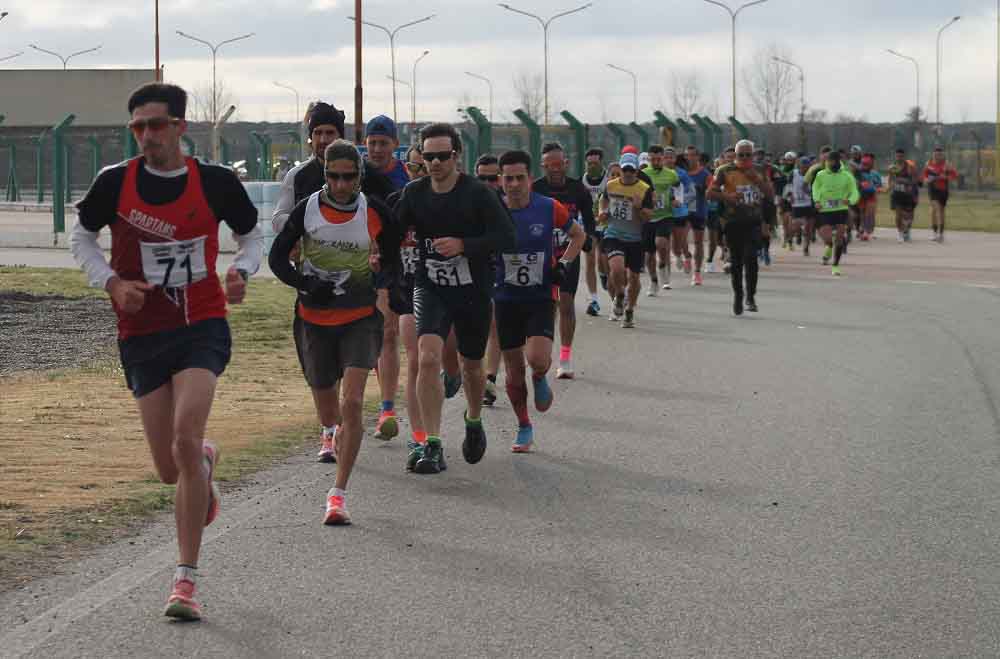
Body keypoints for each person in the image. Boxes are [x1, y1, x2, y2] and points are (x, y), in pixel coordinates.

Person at [70, 82, 263, 620]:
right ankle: (201, 463)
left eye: (157, 125)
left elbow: (252, 235)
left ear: (180, 127)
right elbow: (80, 237)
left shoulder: (216, 183)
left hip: (202, 323)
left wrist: (241, 270)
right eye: (138, 127)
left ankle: (185, 582)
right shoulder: (115, 183)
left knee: (184, 434)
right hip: (142, 331)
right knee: (168, 467)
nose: (147, 136)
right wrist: (110, 282)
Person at [268, 139, 401, 523]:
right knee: (331, 413)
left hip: (360, 318)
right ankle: (334, 434)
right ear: (324, 174)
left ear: (360, 177)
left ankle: (337, 494)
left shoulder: (373, 211)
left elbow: (394, 259)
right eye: (333, 177)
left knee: (354, 404)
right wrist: (305, 283)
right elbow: (277, 257)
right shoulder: (307, 209)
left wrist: (383, 282)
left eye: (349, 177)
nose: (341, 185)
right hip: (314, 320)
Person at [395, 123, 515, 475]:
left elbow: (507, 237)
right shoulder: (415, 194)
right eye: (428, 156)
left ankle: (473, 419)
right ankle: (432, 443)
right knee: (427, 358)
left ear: (456, 156)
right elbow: (391, 230)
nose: (435, 163)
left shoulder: (478, 194)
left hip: (472, 290)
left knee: (472, 367)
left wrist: (465, 245)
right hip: (430, 286)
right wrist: (377, 251)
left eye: (442, 156)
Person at [495, 150, 584, 451]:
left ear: (530, 179)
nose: (515, 184)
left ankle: (541, 375)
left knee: (536, 359)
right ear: (500, 180)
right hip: (505, 298)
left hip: (540, 295)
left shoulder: (548, 207)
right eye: (509, 178)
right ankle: (523, 425)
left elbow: (579, 235)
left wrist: (563, 264)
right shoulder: (493, 209)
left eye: (521, 178)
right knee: (513, 369)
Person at [533, 142, 595, 380]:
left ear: (566, 164)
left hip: (568, 252)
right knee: (546, 306)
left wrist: (589, 238)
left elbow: (589, 220)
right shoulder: (535, 188)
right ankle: (542, 352)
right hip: (540, 254)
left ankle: (565, 358)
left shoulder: (578, 189)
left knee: (566, 303)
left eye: (559, 164)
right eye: (550, 165)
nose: (555, 169)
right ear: (543, 165)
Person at [388, 146, 434, 458]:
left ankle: (453, 376)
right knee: (416, 360)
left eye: (425, 167)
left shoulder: (446, 205)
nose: (420, 173)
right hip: (407, 290)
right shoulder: (396, 204)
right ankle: (419, 436)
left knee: (441, 361)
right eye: (415, 167)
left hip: (443, 291)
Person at [708, 139, 772, 315]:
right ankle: (738, 295)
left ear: (753, 155)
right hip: (733, 222)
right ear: (735, 155)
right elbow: (710, 193)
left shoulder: (759, 170)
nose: (744, 158)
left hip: (753, 221)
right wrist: (727, 197)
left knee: (751, 259)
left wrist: (757, 180)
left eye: (748, 155)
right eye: (740, 155)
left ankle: (750, 297)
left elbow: (770, 194)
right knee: (736, 263)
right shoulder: (724, 170)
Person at [599, 152, 654, 328]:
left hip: (636, 238)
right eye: (625, 170)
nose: (628, 173)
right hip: (614, 234)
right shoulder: (611, 185)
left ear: (636, 170)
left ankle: (629, 310)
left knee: (634, 277)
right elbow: (603, 200)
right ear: (621, 170)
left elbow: (648, 216)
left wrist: (638, 208)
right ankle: (620, 295)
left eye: (631, 169)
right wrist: (603, 212)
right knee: (616, 268)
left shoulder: (644, 189)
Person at [475, 153, 503, 406]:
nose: (487, 184)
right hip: (469, 274)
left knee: (495, 323)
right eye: (482, 178)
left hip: (501, 272)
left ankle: (490, 378)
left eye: (492, 178)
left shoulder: (510, 205)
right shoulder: (465, 204)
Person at [812, 150, 860, 276]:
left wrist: (850, 200)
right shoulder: (821, 175)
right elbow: (815, 188)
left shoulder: (847, 176)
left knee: (839, 238)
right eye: (829, 161)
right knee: (828, 238)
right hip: (825, 210)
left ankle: (835, 265)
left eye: (834, 161)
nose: (831, 163)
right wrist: (816, 200)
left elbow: (854, 191)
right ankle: (828, 246)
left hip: (840, 210)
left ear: (839, 161)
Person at [640, 144, 680, 294]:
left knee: (661, 242)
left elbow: (678, 187)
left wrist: (677, 199)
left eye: (659, 159)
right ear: (649, 159)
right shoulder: (643, 173)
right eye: (653, 159)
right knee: (649, 254)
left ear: (663, 158)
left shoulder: (671, 174)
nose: (656, 162)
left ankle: (663, 264)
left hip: (665, 215)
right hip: (648, 217)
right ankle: (654, 281)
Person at [581, 148, 608, 317]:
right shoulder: (581, 182)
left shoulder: (609, 180)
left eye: (595, 163)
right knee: (590, 260)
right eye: (589, 163)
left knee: (604, 261)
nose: (592, 166)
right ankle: (594, 300)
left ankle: (606, 276)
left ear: (601, 163)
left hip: (606, 226)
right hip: (588, 227)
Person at [684, 145, 711, 285]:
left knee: (698, 242)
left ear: (698, 157)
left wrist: (703, 190)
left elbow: (711, 191)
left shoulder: (705, 174)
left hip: (699, 210)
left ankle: (697, 272)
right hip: (684, 210)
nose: (690, 158)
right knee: (680, 238)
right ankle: (687, 256)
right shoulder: (681, 172)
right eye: (687, 155)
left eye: (693, 155)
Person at [923, 146, 958, 242]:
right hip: (932, 189)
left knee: (941, 211)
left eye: (939, 155)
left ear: (942, 155)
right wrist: (926, 180)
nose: (937, 157)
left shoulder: (946, 164)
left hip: (943, 190)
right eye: (935, 154)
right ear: (933, 155)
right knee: (935, 209)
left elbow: (954, 175)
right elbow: (924, 176)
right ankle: (935, 233)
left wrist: (945, 177)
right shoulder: (928, 164)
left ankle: (941, 234)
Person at [887, 148, 920, 243]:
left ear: (904, 156)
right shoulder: (892, 167)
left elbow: (915, 180)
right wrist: (890, 187)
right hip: (897, 193)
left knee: (909, 216)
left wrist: (905, 182)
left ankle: (907, 229)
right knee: (898, 214)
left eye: (901, 156)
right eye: (897, 156)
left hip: (909, 194)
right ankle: (900, 233)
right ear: (895, 156)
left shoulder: (910, 166)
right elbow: (890, 179)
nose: (899, 158)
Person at [787, 156, 817, 256]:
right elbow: (788, 187)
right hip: (797, 204)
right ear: (799, 166)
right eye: (803, 166)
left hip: (809, 203)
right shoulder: (793, 174)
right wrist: (790, 196)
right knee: (795, 225)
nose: (805, 168)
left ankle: (806, 247)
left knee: (808, 227)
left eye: (807, 166)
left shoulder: (813, 175)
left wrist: (812, 194)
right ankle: (790, 239)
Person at [857, 154, 883, 241]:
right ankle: (863, 229)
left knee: (870, 214)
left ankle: (867, 232)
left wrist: (878, 189)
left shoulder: (875, 174)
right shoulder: (858, 173)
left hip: (872, 196)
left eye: (866, 164)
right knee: (862, 214)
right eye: (863, 164)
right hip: (861, 196)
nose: (864, 166)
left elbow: (879, 185)